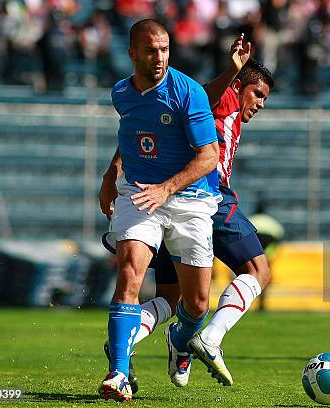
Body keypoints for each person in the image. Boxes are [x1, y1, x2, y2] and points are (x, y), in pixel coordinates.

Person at [100, 36, 274, 390]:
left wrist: (114, 169)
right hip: (206, 196)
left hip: (172, 196)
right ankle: (201, 340)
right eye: (257, 94)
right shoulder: (222, 96)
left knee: (175, 299)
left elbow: (141, 130)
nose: (260, 104)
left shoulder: (180, 101)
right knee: (259, 270)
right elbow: (207, 96)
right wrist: (232, 71)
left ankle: (130, 341)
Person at [96, 19, 220, 402]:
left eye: (165, 48)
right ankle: (118, 372)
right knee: (130, 274)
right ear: (133, 53)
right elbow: (129, 135)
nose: (160, 57)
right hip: (139, 195)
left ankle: (179, 338)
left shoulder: (188, 92)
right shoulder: (122, 93)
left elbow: (209, 157)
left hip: (189, 200)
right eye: (151, 49)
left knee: (197, 304)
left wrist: (166, 188)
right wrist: (111, 174)